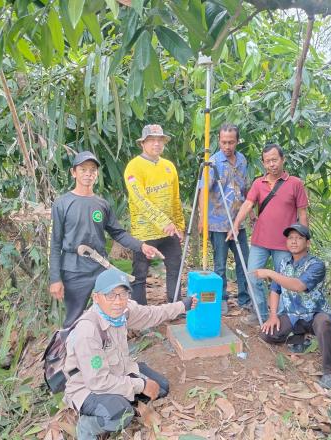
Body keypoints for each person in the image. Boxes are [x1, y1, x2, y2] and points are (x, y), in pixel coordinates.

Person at [63, 268, 197, 439]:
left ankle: (121, 397)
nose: (118, 301)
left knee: (161, 387)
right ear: (96, 297)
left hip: (120, 371)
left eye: (123, 294)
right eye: (110, 295)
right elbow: (98, 382)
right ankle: (87, 427)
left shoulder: (122, 313)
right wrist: (141, 384)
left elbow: (152, 314)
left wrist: (182, 306)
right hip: (87, 387)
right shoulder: (88, 330)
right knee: (122, 414)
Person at [49, 151, 163, 328]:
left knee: (111, 309)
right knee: (73, 317)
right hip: (73, 269)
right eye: (83, 169)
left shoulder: (102, 204)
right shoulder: (62, 203)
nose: (88, 174)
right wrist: (55, 278)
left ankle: (109, 348)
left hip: (99, 266)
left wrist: (141, 246)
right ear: (73, 172)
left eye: (92, 170)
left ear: (96, 174)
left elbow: (118, 233)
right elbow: (55, 243)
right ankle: (68, 351)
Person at [228, 144, 309, 324]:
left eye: (275, 160)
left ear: (282, 159)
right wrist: (235, 224)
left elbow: (302, 213)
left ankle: (280, 319)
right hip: (260, 241)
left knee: (282, 282)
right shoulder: (258, 183)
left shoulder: (295, 184)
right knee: (252, 276)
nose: (272, 164)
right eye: (267, 161)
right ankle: (261, 314)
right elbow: (248, 204)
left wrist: (305, 240)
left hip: (285, 244)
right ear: (263, 163)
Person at [254, 224, 331, 389]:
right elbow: (275, 289)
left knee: (323, 323)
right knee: (267, 334)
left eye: (299, 238)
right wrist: (272, 316)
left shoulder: (316, 265)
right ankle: (298, 340)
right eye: (291, 238)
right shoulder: (284, 263)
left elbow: (299, 286)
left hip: (315, 313)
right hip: (293, 314)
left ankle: (329, 371)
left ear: (308, 243)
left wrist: (270, 273)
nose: (294, 241)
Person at [124, 125, 185, 304]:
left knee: (175, 269)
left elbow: (175, 198)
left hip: (170, 231)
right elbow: (139, 199)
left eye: (160, 140)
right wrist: (163, 221)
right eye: (152, 140)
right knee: (140, 274)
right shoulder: (134, 167)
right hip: (144, 233)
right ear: (143, 143)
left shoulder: (169, 166)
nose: (157, 144)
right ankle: (140, 313)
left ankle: (175, 307)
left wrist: (179, 225)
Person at [198, 123, 252, 315]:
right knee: (219, 265)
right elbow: (203, 191)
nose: (227, 146)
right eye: (223, 142)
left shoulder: (242, 160)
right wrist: (202, 219)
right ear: (218, 141)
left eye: (230, 142)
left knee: (244, 262)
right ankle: (221, 298)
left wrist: (251, 213)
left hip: (239, 222)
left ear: (237, 141)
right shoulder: (212, 162)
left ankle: (245, 298)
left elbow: (245, 188)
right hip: (218, 222)